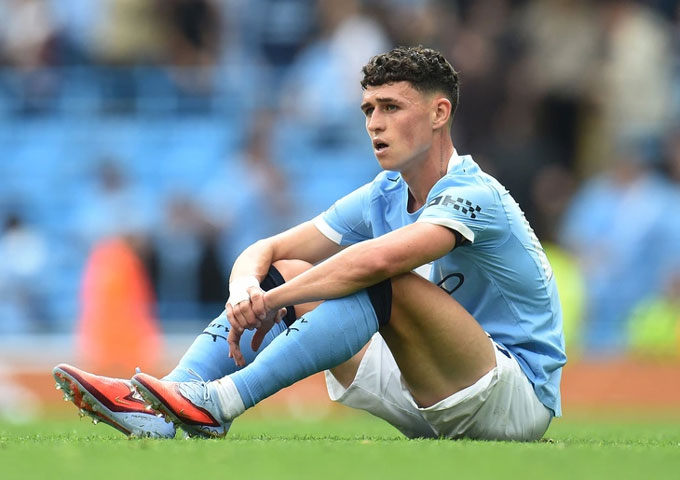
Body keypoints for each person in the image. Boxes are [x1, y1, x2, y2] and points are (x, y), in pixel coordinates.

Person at [54, 46, 566, 441]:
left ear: (439, 113)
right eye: (368, 109)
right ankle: (164, 402)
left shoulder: (473, 193)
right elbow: (266, 250)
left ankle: (221, 402)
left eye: (391, 107)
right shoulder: (384, 193)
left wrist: (272, 301)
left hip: (513, 397)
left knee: (381, 278)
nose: (375, 123)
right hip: (430, 387)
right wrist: (246, 291)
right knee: (291, 270)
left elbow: (379, 261)